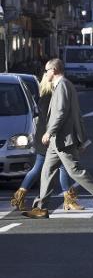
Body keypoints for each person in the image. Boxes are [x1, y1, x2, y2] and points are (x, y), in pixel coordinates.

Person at [22, 59, 93, 219]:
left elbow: (61, 112)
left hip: (63, 139)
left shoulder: (63, 85)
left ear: (55, 70)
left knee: (75, 171)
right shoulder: (61, 85)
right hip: (57, 141)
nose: (45, 73)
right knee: (47, 170)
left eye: (47, 70)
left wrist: (49, 132)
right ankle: (41, 208)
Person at [10, 77, 82, 211]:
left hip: (44, 138)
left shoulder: (44, 97)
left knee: (38, 168)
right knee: (63, 168)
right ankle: (69, 200)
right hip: (51, 139)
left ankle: (19, 196)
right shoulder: (52, 97)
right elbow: (56, 119)